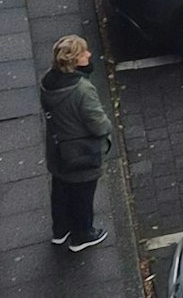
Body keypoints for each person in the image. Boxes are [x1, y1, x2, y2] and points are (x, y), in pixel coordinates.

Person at [41, 36, 112, 252]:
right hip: (81, 153)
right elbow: (99, 125)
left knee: (61, 190)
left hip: (58, 149)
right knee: (82, 195)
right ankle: (82, 235)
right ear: (74, 60)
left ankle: (60, 231)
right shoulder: (82, 90)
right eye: (84, 53)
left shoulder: (48, 81)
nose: (89, 55)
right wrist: (107, 125)